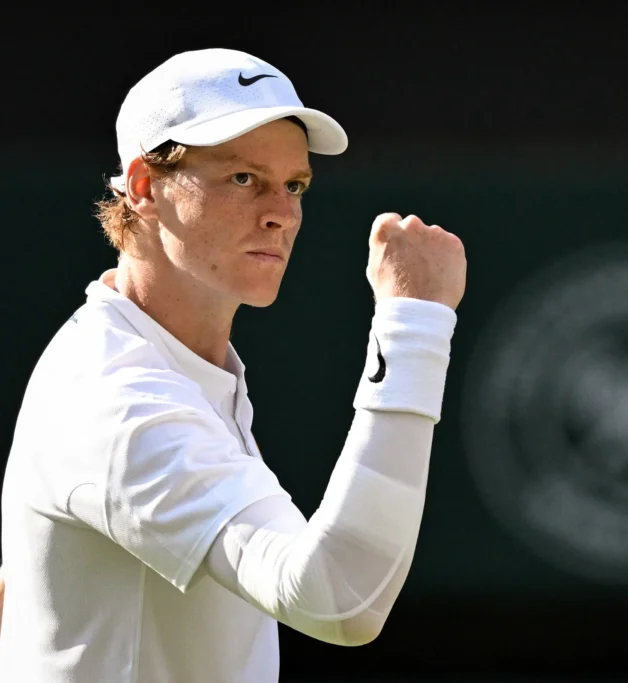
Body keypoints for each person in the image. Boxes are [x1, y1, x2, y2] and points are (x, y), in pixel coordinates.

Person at [0, 47, 466, 682]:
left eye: (295, 185)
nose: (281, 213)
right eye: (243, 178)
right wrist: (414, 326)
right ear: (144, 187)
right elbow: (340, 599)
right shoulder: (120, 398)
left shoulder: (159, 362)